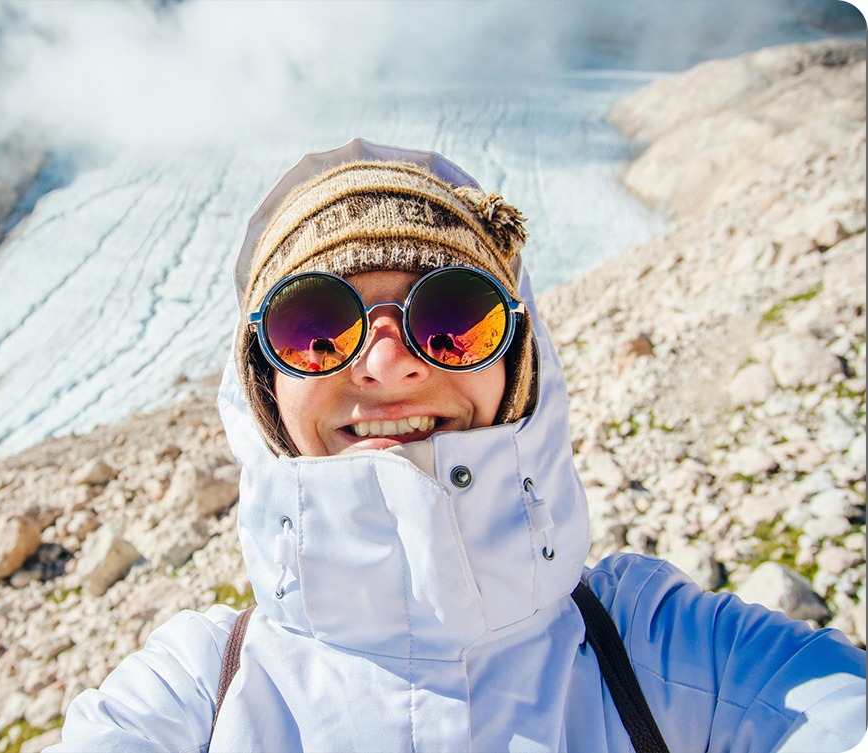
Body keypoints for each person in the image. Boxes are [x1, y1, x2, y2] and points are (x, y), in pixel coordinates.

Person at [48, 139, 866, 752]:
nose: (387, 360)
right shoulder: (193, 693)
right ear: (263, 384)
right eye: (313, 325)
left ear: (519, 361)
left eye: (455, 313)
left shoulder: (671, 653)